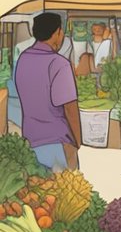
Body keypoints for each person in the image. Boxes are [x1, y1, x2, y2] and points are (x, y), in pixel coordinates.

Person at [14, 13, 81, 173]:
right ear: (57, 32)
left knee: (38, 194)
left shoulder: (23, 59)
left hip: (30, 142)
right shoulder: (59, 64)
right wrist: (77, 142)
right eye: (61, 32)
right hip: (58, 144)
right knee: (66, 195)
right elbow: (70, 109)